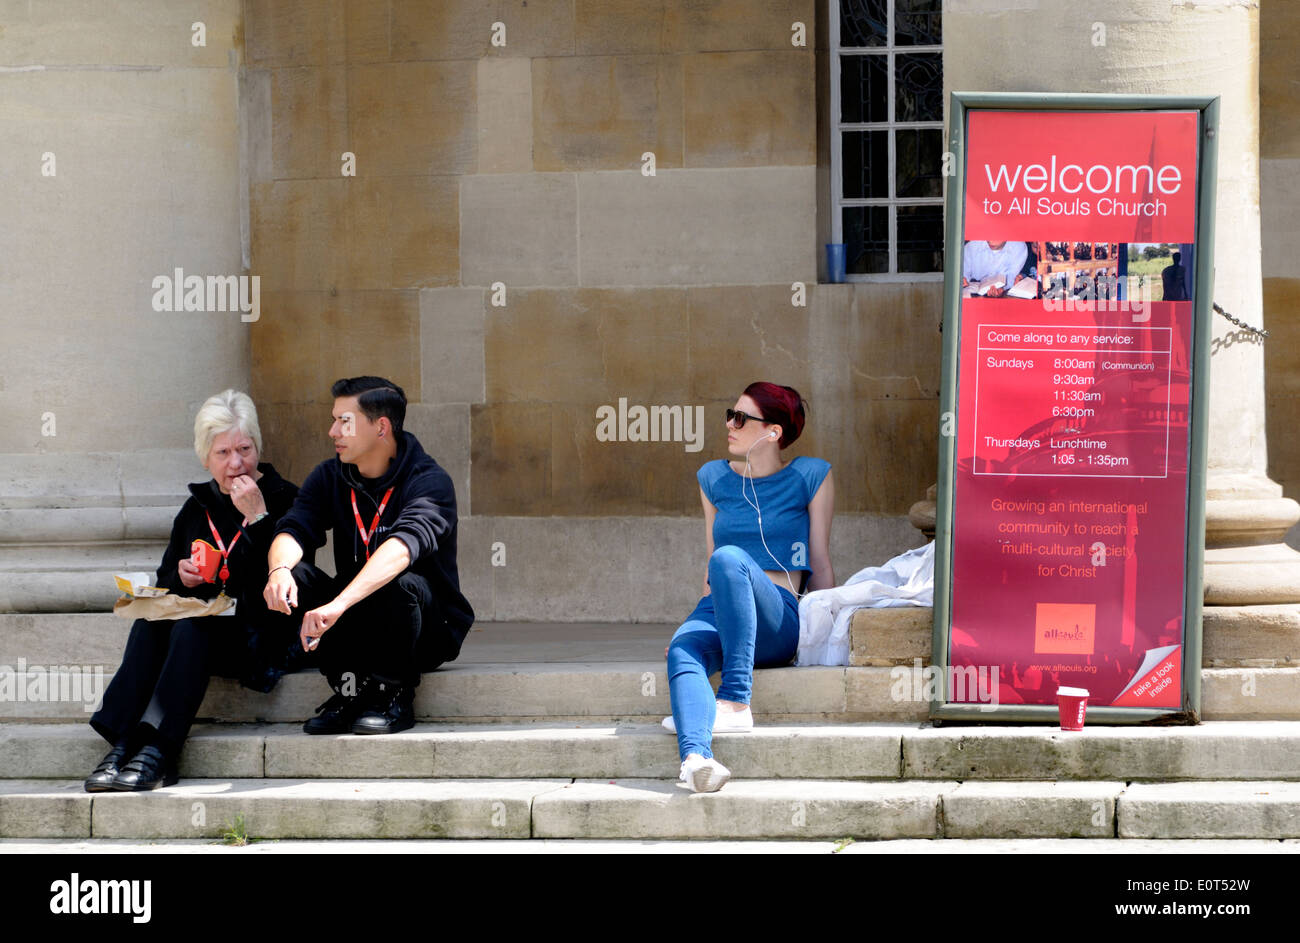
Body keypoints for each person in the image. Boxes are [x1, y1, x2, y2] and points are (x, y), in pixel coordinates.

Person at [86, 391, 307, 791]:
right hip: (204, 629)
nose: (236, 463)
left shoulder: (285, 497)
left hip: (261, 633)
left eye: (244, 448)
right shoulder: (197, 508)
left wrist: (257, 516)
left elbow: (289, 570)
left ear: (258, 447)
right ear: (206, 457)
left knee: (193, 626)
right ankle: (123, 742)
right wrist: (181, 576)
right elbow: (165, 576)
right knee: (152, 614)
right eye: (223, 452)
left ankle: (159, 750)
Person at [264, 376, 473, 736]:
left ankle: (393, 693)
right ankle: (350, 691)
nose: (333, 431)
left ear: (381, 427)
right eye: (334, 419)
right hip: (358, 617)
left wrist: (339, 604)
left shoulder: (429, 480)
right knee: (294, 577)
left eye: (344, 421)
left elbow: (402, 548)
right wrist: (279, 570)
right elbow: (296, 526)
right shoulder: (330, 475)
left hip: (424, 629)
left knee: (398, 582)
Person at [663, 383, 834, 792]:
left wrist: (829, 633)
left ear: (773, 432)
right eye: (729, 414)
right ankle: (696, 760)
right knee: (683, 649)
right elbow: (711, 567)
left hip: (777, 614)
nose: (729, 425)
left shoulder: (811, 475)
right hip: (721, 606)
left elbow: (821, 559)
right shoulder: (713, 478)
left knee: (729, 557)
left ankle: (736, 700)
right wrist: (697, 622)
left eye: (740, 418)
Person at [962, 240, 1029, 297]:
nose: (990, 241)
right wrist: (962, 279)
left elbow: (1011, 277)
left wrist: (1002, 288)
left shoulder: (1019, 247)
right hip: (973, 288)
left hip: (1002, 292)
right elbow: (963, 272)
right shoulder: (972, 245)